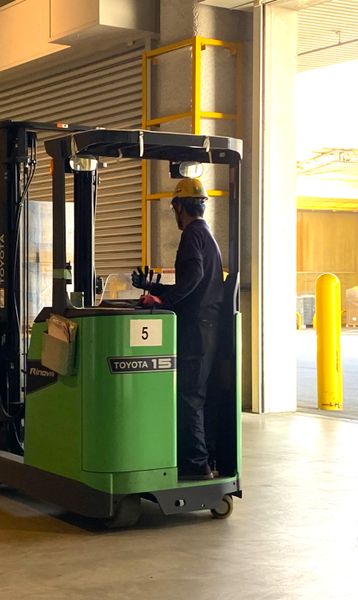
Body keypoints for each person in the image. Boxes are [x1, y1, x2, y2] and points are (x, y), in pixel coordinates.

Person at [132, 178, 224, 480]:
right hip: (206, 327)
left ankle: (196, 465)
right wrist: (152, 287)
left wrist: (163, 300)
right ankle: (206, 460)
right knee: (197, 395)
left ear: (180, 207)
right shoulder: (206, 235)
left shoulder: (192, 235)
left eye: (174, 209)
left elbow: (193, 277)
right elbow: (193, 284)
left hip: (196, 330)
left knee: (188, 397)